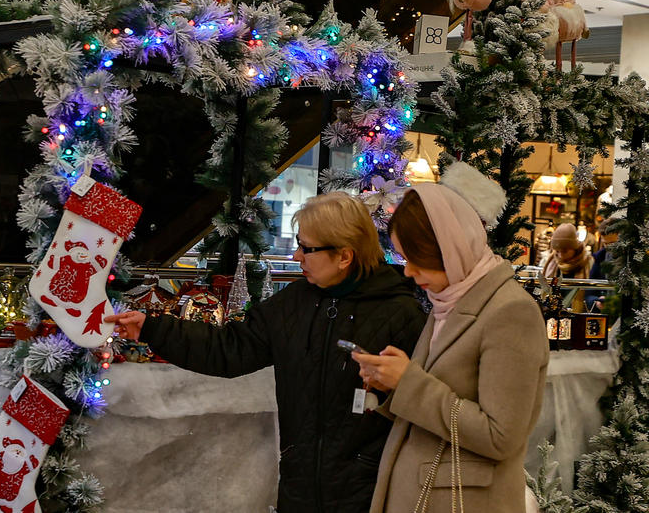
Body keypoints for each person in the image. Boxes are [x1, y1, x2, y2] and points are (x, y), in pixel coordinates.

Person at [106, 192, 426, 513]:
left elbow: (421, 407)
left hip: (373, 496)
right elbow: (229, 349)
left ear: (344, 256)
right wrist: (152, 328)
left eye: (308, 248)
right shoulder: (292, 305)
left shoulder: (401, 315)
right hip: (298, 493)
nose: (297, 256)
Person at [353, 180, 548, 513]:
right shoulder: (452, 297)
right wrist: (392, 384)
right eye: (403, 259)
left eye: (417, 260)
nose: (409, 272)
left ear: (450, 247)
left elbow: (500, 435)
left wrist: (408, 382)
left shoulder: (509, 312)